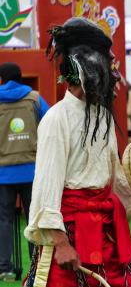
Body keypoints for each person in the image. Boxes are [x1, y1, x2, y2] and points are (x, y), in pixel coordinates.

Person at [24, 18, 131, 287]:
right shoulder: (57, 119)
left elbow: (111, 176)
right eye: (110, 64)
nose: (115, 75)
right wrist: (61, 244)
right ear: (91, 67)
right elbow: (46, 187)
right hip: (68, 235)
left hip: (105, 232)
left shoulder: (102, 116)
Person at [0, 63, 49, 282]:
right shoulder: (35, 99)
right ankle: (36, 264)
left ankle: (5, 268)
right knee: (33, 217)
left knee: (4, 219)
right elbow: (50, 125)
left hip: (2, 173)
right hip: (32, 171)